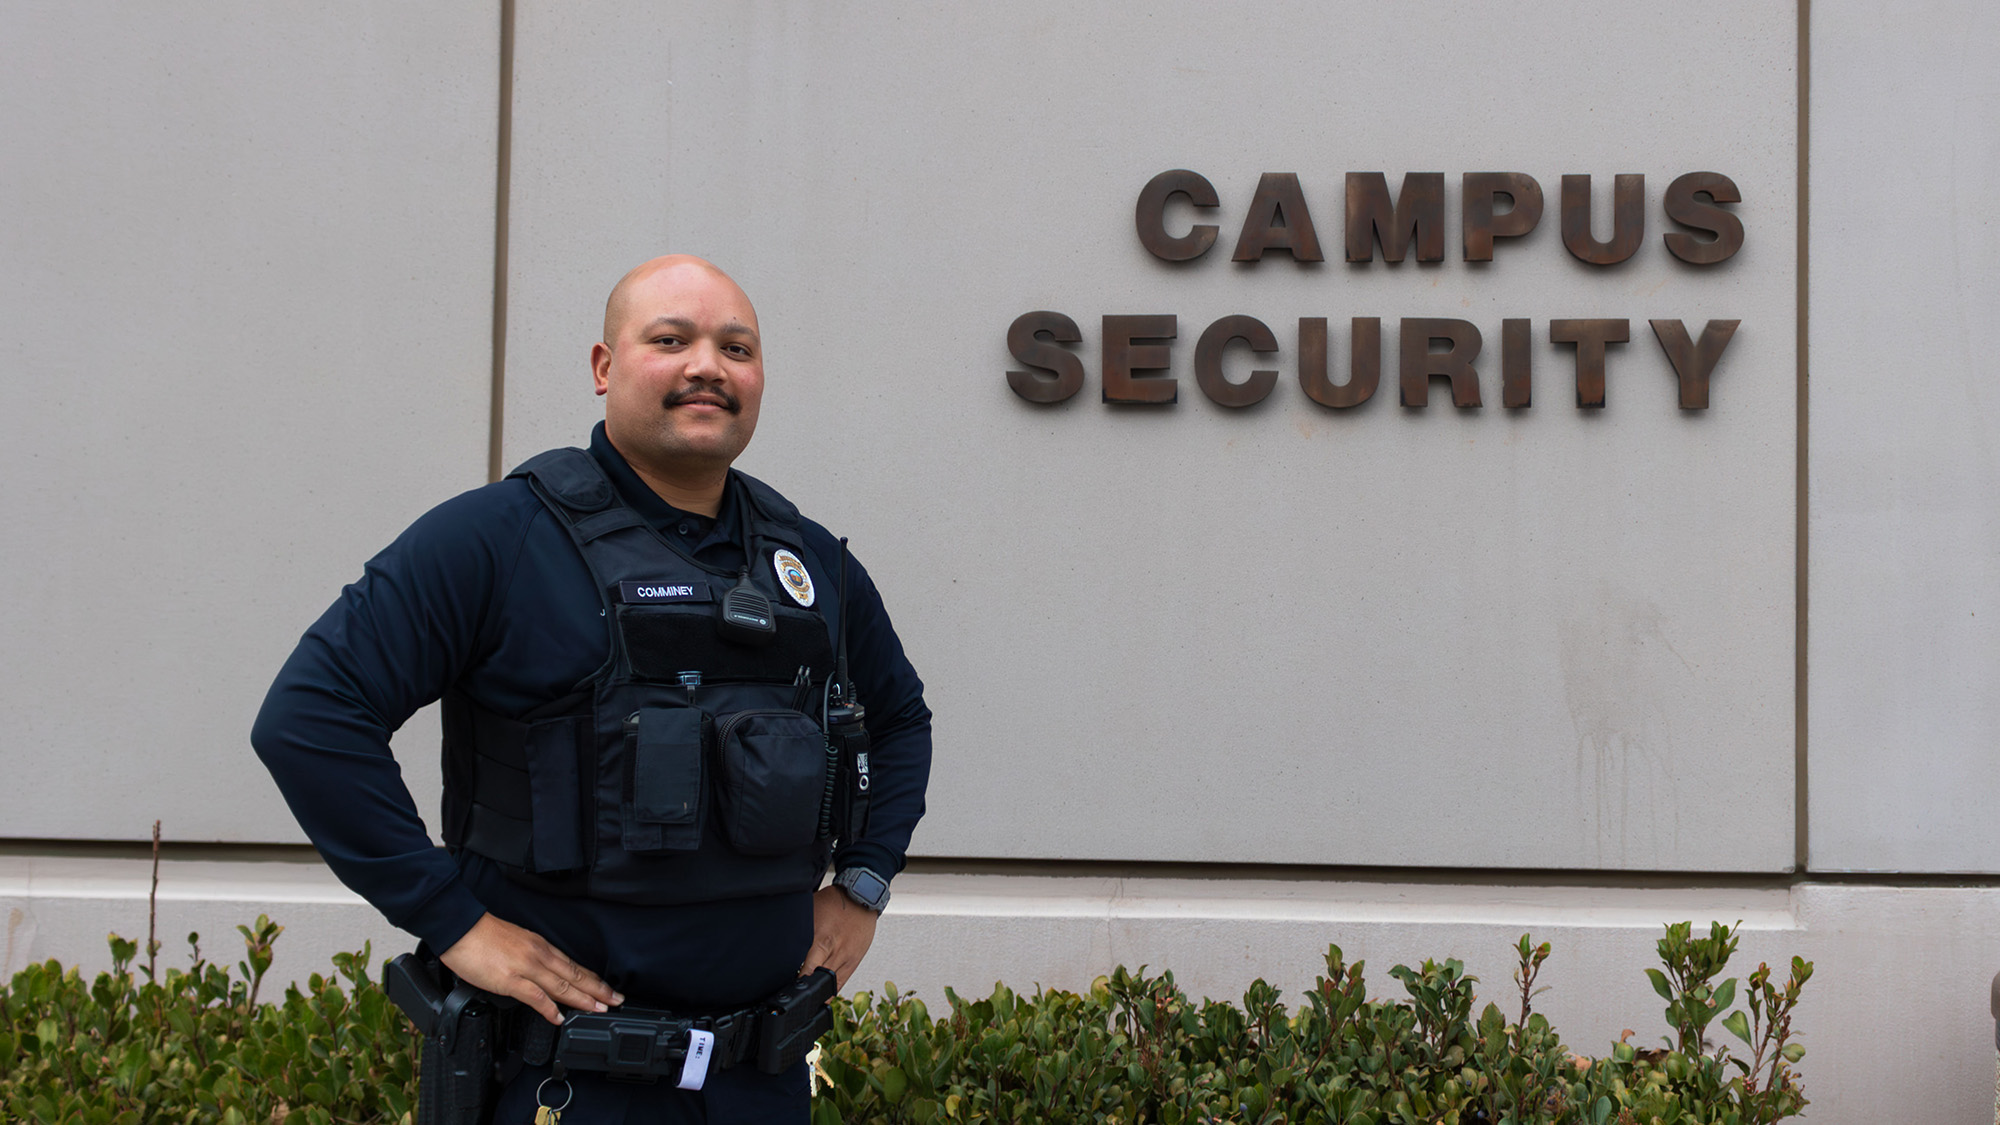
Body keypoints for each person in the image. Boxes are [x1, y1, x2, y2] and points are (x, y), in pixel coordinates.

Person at [252, 255, 933, 1122]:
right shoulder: (496, 538)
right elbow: (311, 717)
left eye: (737, 348)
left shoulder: (811, 562)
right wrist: (455, 921)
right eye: (670, 339)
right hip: (564, 1083)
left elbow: (900, 718)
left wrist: (865, 883)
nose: (707, 367)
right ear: (604, 368)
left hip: (761, 1080)